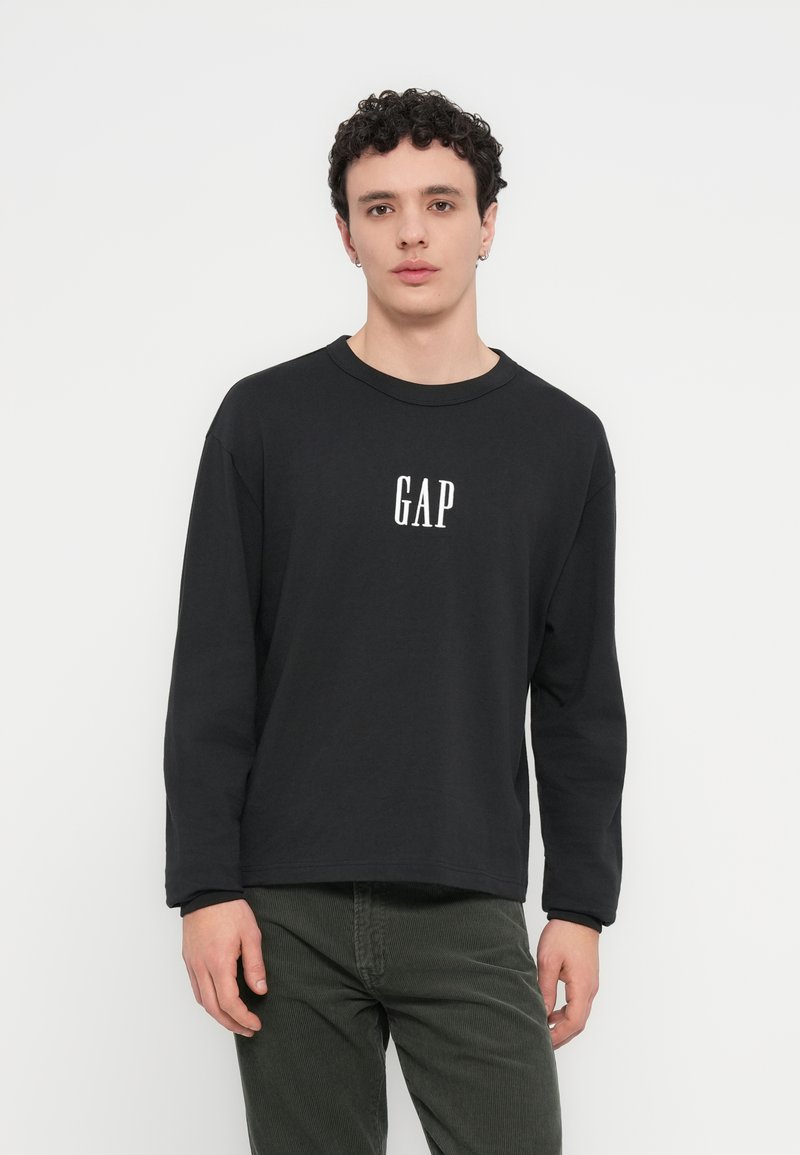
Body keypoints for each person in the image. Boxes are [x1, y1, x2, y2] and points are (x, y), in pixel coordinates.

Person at [163, 87, 627, 1155]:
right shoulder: (265, 420)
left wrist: (579, 903)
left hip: (467, 900)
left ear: (487, 222)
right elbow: (215, 666)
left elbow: (576, 696)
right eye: (379, 208)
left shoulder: (560, 443)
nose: (411, 232)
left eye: (440, 203)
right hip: (286, 907)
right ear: (345, 233)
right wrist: (205, 887)